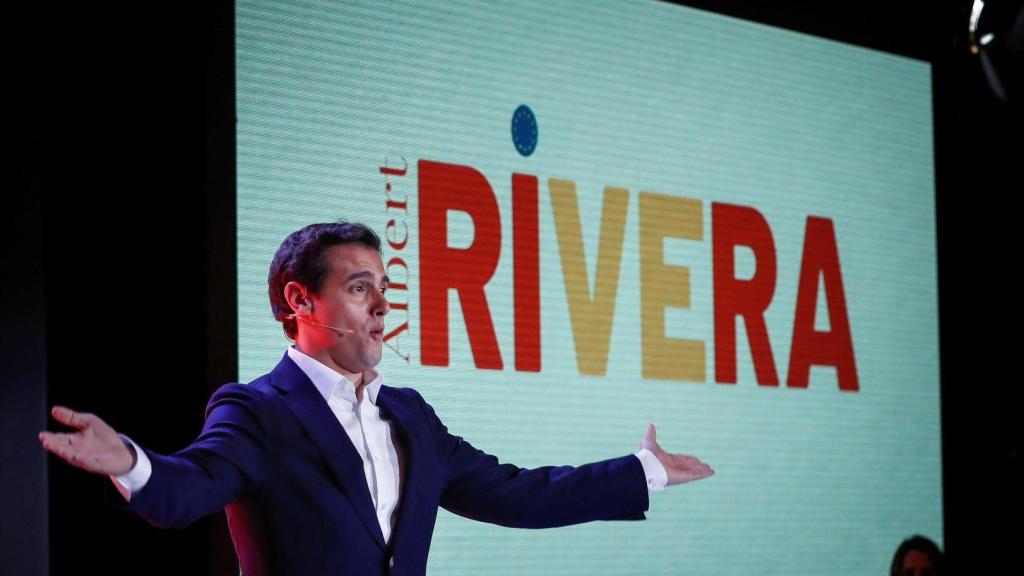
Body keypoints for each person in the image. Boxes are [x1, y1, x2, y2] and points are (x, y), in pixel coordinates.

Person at [39, 221, 714, 575]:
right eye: (360, 287)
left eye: (384, 287)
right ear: (299, 300)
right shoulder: (257, 411)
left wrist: (645, 470)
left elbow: (517, 493)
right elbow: (190, 485)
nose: (383, 305)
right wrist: (130, 460)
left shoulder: (410, 415)